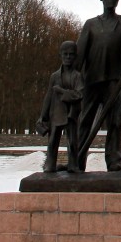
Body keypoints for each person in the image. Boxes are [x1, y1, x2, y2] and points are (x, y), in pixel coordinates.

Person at [73, 0, 121, 171]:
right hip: (92, 81)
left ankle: (114, 160)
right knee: (85, 121)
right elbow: (79, 55)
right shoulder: (91, 24)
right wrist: (74, 82)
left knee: (115, 123)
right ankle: (77, 160)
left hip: (115, 82)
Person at [36, 41, 84, 174]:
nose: (68, 57)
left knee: (73, 142)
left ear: (75, 57)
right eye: (65, 54)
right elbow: (48, 97)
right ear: (61, 55)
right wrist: (43, 115)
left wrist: (62, 92)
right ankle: (50, 165)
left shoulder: (77, 76)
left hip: (71, 114)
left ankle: (73, 165)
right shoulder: (54, 76)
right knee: (52, 142)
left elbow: (80, 94)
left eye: (71, 55)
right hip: (56, 113)